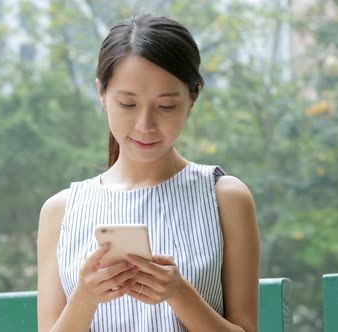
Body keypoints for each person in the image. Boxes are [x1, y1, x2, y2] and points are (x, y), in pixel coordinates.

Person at [37, 14, 260, 332]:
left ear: (193, 97)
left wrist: (179, 294)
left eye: (166, 106)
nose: (145, 126)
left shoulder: (225, 198)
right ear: (101, 94)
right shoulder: (61, 211)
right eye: (127, 104)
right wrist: (85, 298)